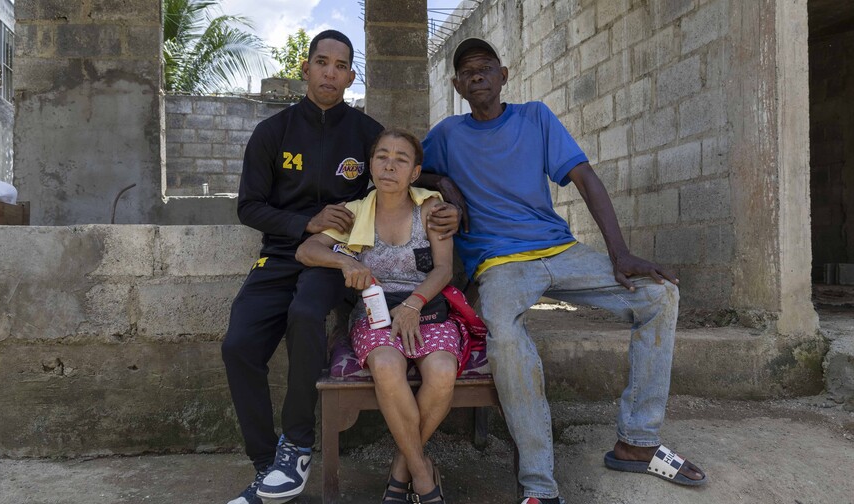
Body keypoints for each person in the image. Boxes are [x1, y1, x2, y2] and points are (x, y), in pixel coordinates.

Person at [420, 38, 708, 504]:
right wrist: (442, 180)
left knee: (658, 295)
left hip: (560, 249)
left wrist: (620, 254)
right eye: (468, 71)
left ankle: (637, 440)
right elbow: (404, 167)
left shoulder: (534, 117)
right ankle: (539, 487)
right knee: (507, 339)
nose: (478, 76)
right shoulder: (447, 135)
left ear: (503, 75)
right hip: (499, 264)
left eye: (486, 68)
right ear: (456, 85)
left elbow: (584, 176)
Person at [221, 31, 459, 504]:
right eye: (322, 63)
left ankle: (297, 442)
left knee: (307, 315)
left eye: (341, 65)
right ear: (306, 69)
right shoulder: (273, 133)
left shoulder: (365, 131)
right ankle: (268, 462)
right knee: (238, 346)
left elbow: (408, 168)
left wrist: (452, 202)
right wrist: (302, 221)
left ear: (351, 75)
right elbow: (248, 206)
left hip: (336, 258)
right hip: (283, 252)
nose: (330, 72)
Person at [297, 129, 457, 504]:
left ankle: (403, 468)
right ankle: (422, 475)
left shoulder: (431, 208)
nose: (390, 164)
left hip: (426, 308)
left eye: (401, 158)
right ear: (370, 166)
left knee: (443, 370)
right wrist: (345, 259)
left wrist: (414, 304)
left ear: (415, 173)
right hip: (376, 312)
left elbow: (444, 270)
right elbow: (306, 250)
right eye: (382, 156)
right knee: (385, 363)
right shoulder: (354, 214)